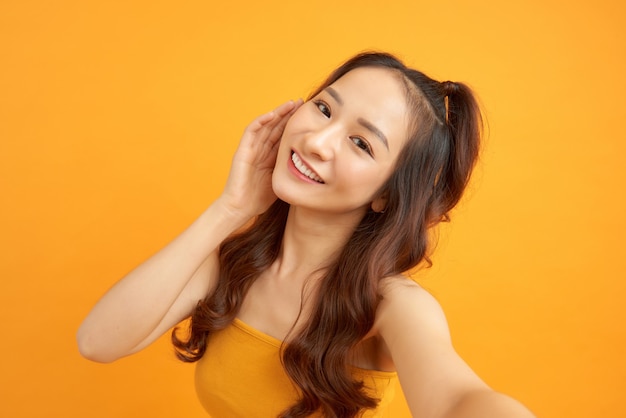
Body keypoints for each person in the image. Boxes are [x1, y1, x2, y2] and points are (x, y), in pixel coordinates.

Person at [77, 52, 535, 418]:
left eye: (361, 143)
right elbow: (98, 342)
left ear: (385, 196)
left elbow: (459, 401)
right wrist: (230, 209)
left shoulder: (392, 307)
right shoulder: (234, 263)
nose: (318, 140)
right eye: (323, 108)